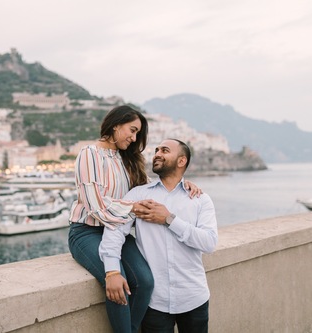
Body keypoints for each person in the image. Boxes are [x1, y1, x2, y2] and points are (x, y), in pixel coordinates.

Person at [68, 105, 202, 333]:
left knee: (146, 282)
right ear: (115, 124)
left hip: (117, 231)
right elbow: (96, 206)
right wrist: (134, 207)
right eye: (132, 130)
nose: (134, 138)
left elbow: (153, 190)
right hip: (87, 231)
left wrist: (183, 184)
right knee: (118, 282)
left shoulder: (128, 159)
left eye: (137, 133)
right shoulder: (89, 154)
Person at [99, 138, 218, 333]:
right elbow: (115, 231)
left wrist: (169, 219)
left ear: (181, 161)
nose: (157, 154)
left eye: (164, 150)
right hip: (155, 302)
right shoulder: (138, 195)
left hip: (193, 298)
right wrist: (112, 271)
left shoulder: (199, 199)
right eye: (156, 150)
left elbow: (209, 242)